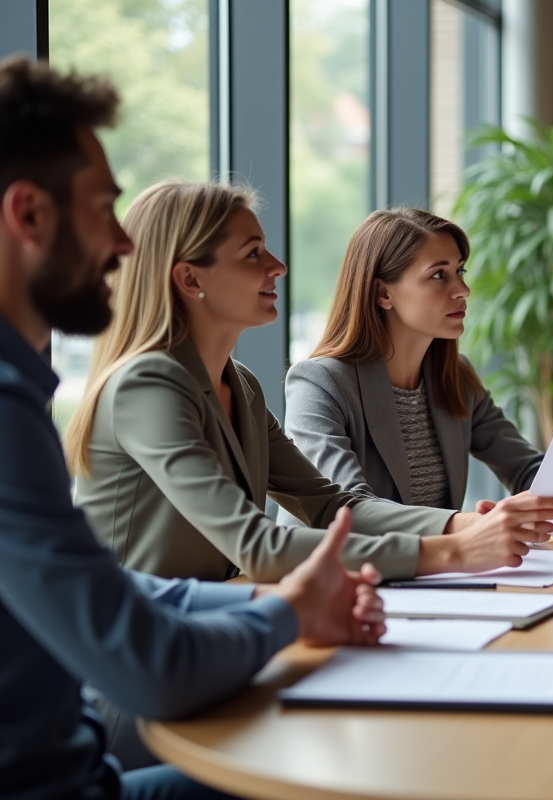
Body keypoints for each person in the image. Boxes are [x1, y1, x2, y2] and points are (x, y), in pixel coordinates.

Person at [0, 55, 386, 800]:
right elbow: (148, 668)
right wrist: (287, 611)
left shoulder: (22, 394)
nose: (123, 244)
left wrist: (264, 603)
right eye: (102, 209)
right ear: (29, 215)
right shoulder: (20, 407)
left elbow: (113, 583)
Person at [65, 180, 553, 585]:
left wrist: (469, 526)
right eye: (253, 253)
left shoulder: (241, 386)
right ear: (191, 280)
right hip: (136, 653)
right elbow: (258, 546)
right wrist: (456, 548)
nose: (278, 267)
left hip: (214, 621)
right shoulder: (147, 386)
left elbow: (330, 505)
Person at [280, 207, 553, 538]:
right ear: (383, 294)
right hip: (337, 568)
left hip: (434, 568)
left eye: (459, 271)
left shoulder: (455, 376)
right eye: (438, 275)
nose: (462, 290)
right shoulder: (318, 383)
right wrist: (471, 524)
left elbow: (525, 467)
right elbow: (345, 511)